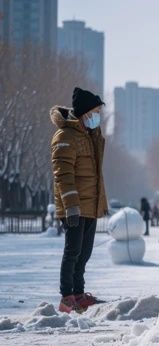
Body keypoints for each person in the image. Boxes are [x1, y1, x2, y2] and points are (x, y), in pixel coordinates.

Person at [50, 87, 108, 313]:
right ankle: (67, 297)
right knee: (72, 252)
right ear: (84, 112)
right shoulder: (65, 136)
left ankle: (79, 294)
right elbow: (63, 175)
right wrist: (71, 205)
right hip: (74, 206)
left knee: (84, 253)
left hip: (89, 204)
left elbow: (95, 173)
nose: (97, 116)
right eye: (95, 111)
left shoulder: (90, 136)